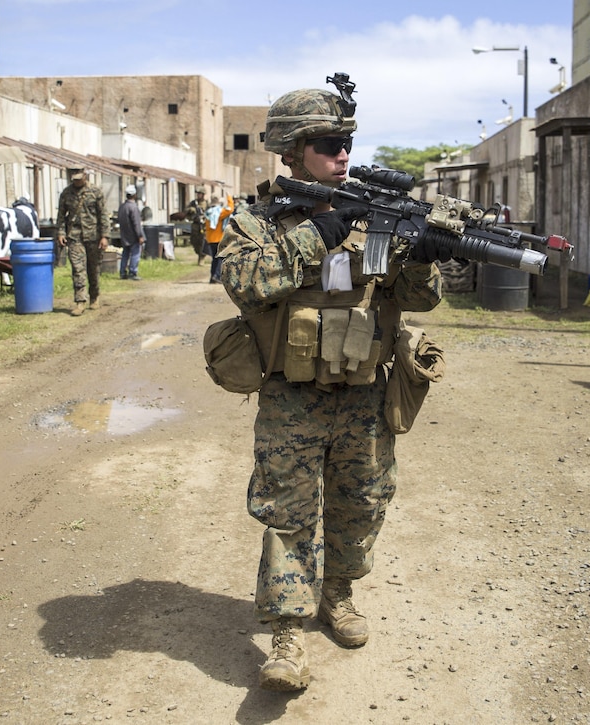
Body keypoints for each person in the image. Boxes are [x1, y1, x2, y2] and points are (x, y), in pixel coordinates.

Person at [215, 81, 445, 691]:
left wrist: (421, 257)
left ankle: (336, 595)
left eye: (347, 143)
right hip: (292, 395)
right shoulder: (256, 218)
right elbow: (244, 282)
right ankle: (287, 636)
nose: (343, 155)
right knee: (288, 513)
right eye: (327, 144)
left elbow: (418, 298)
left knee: (360, 502)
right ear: (291, 152)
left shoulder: (375, 216)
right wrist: (319, 232)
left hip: (364, 391)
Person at [56, 166, 110, 316]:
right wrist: (61, 233)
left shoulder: (95, 192)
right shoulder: (66, 193)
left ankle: (94, 295)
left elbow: (103, 215)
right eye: (75, 179)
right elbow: (61, 215)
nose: (77, 181)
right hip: (74, 236)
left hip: (93, 236)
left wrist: (105, 236)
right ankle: (80, 301)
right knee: (78, 269)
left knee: (93, 269)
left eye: (79, 179)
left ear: (85, 176)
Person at [204, 194, 233, 284]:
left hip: (210, 239)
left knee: (214, 258)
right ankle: (216, 276)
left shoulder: (208, 212)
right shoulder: (219, 212)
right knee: (220, 258)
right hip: (218, 239)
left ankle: (212, 277)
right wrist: (228, 197)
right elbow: (230, 209)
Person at [118, 185, 145, 281]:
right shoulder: (133, 207)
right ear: (134, 195)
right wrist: (140, 235)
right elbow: (136, 223)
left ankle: (122, 272)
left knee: (125, 253)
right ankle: (132, 272)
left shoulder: (122, 207)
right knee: (135, 254)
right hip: (133, 235)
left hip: (124, 234)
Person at [186, 187, 208, 264]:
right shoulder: (193, 203)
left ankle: (202, 257)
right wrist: (191, 209)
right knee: (194, 241)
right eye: (197, 194)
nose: (198, 195)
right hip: (195, 224)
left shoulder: (207, 203)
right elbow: (186, 211)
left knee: (202, 241)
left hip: (204, 225)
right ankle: (198, 253)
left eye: (200, 194)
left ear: (203, 194)